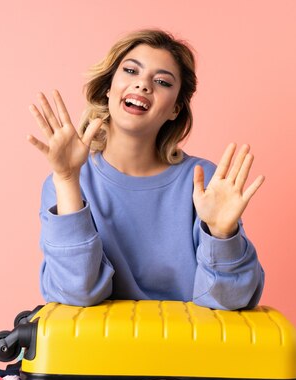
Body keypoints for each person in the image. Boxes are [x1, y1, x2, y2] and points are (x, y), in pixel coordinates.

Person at [27, 29, 265, 310]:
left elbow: (228, 302)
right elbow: (77, 293)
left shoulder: (203, 183)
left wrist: (222, 235)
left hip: (189, 350)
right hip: (97, 351)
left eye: (162, 81)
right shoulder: (68, 181)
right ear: (108, 88)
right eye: (130, 71)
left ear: (175, 109)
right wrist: (67, 180)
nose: (143, 85)